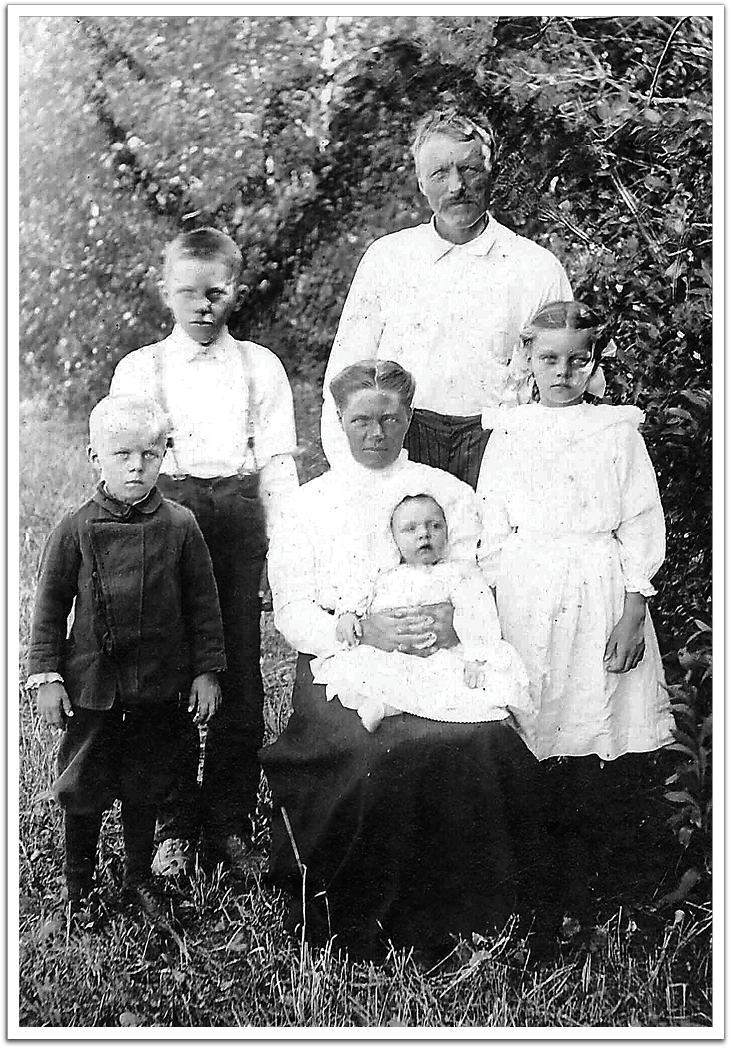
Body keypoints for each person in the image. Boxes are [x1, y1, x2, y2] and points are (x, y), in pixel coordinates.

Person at [260, 359, 546, 963]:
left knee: (482, 739)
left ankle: (483, 908)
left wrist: (452, 625)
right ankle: (371, 919)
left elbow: (479, 581)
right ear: (336, 422)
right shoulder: (308, 504)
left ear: (409, 419)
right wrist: (362, 631)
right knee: (381, 751)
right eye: (360, 420)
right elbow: (291, 611)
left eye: (390, 419)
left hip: (445, 661)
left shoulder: (448, 492)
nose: (375, 434)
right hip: (345, 663)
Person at [110, 227, 299, 875]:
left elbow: (277, 466)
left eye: (215, 292)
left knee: (237, 673)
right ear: (166, 290)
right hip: (166, 521)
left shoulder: (259, 366)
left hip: (238, 522)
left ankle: (228, 818)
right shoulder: (142, 369)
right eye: (187, 292)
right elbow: (120, 465)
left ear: (236, 291)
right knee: (165, 673)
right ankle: (174, 823)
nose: (202, 306)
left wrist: (281, 549)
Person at [477, 300, 674, 913]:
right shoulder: (510, 432)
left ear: (593, 364)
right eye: (549, 359)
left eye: (577, 360)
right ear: (529, 361)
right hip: (528, 590)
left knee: (597, 724)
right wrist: (495, 610)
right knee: (538, 727)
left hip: (598, 587)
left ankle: (597, 883)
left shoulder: (615, 432)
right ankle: (539, 884)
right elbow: (492, 526)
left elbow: (642, 522)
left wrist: (633, 608)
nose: (562, 372)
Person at [25, 395, 226, 918]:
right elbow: (49, 607)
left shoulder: (179, 525)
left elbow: (204, 603)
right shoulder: (76, 528)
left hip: (158, 685)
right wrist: (47, 675)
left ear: (166, 454)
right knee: (85, 787)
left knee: (148, 781)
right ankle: (78, 889)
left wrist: (206, 670)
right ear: (96, 457)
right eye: (121, 455)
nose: (136, 467)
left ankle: (138, 877)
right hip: (94, 686)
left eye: (149, 454)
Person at [320, 103, 573, 487]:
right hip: (405, 440)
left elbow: (563, 381)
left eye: (469, 170)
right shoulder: (387, 259)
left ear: (492, 173)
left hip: (499, 448)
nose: (456, 187)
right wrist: (354, 475)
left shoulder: (536, 267)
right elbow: (343, 378)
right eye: (440, 173)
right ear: (421, 181)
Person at [313, 492, 531, 732]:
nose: (424, 534)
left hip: (441, 654)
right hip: (392, 654)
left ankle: (390, 706)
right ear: (394, 539)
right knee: (363, 666)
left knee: (460, 679)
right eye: (410, 529)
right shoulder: (384, 575)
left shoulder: (458, 573)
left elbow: (477, 612)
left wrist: (476, 656)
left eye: (435, 526)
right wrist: (348, 614)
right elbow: (356, 596)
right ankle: (382, 704)